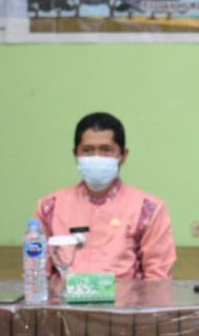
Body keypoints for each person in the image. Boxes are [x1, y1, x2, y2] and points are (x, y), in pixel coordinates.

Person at [34, 112, 175, 279]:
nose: (96, 157)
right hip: (64, 302)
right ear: (76, 155)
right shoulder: (49, 207)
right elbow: (37, 275)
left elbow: (157, 280)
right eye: (87, 150)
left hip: (127, 303)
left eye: (106, 150)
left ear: (123, 156)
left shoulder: (149, 209)